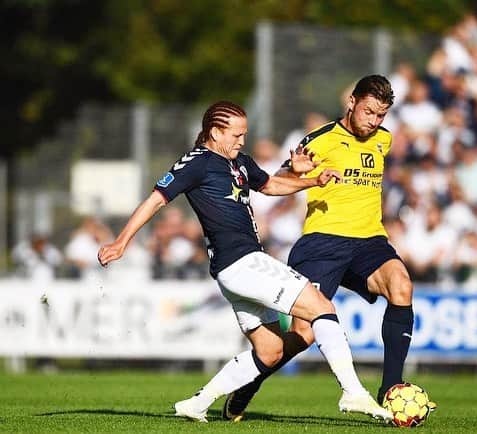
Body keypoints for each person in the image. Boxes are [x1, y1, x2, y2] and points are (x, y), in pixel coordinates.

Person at [97, 101, 391, 423]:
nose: (241, 141)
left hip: (236, 270)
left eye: (245, 134)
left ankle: (197, 403)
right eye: (236, 135)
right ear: (215, 132)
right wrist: (122, 241)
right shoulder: (196, 163)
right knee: (321, 307)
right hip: (242, 263)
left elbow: (270, 185)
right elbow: (156, 199)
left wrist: (313, 181)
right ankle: (353, 393)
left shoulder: (238, 162)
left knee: (270, 351)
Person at [224, 75, 417, 420]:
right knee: (304, 333)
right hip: (321, 244)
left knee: (401, 285)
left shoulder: (383, 141)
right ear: (352, 102)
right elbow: (282, 175)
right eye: (369, 112)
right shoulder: (323, 140)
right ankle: (250, 383)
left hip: (370, 240)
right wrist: (296, 171)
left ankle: (390, 391)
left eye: (381, 115)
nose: (374, 122)